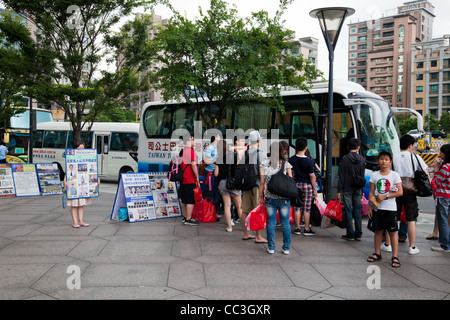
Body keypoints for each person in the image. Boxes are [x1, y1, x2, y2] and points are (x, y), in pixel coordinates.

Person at [393, 134, 430, 255]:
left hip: (395, 190)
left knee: (393, 217)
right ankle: (412, 247)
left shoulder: (393, 157)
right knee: (411, 219)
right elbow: (426, 173)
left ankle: (388, 244)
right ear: (410, 145)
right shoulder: (415, 157)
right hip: (410, 191)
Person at [367, 151, 403, 268]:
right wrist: (370, 207)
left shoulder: (394, 175)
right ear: (378, 161)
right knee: (377, 231)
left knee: (393, 233)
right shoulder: (374, 175)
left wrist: (385, 196)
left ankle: (395, 256)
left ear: (390, 162)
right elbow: (372, 192)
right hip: (378, 208)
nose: (383, 161)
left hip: (390, 208)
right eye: (381, 159)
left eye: (386, 159)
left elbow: (400, 192)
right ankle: (377, 253)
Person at [260, 141, 293, 254]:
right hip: (284, 198)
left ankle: (271, 247)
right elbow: (290, 180)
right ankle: (286, 248)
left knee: (271, 222)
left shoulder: (264, 163)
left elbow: (262, 182)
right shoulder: (286, 164)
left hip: (270, 197)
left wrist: (261, 196)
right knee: (285, 223)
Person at [336, 138, 366, 241]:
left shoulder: (345, 158)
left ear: (348, 147)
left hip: (347, 188)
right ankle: (359, 234)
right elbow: (362, 176)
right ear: (358, 148)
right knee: (357, 211)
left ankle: (350, 234)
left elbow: (342, 176)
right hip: (358, 188)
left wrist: (339, 190)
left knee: (348, 210)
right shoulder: (362, 159)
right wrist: (361, 190)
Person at [240, 131, 267, 243]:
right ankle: (258, 236)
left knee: (245, 210)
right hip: (256, 186)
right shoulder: (260, 154)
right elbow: (262, 174)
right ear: (259, 141)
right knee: (258, 210)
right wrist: (264, 187)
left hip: (246, 185)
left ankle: (246, 233)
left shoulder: (245, 153)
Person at [63, 143, 98, 228]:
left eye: (83, 148)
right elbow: (67, 171)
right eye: (80, 148)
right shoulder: (70, 157)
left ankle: (81, 220)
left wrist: (97, 179)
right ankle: (75, 222)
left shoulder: (86, 158)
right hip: (73, 184)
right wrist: (64, 180)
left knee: (81, 204)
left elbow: (92, 171)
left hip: (82, 185)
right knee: (74, 204)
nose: (82, 150)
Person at [288, 138, 317, 236]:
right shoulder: (309, 161)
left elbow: (290, 174)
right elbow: (312, 176)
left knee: (297, 207)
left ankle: (297, 227)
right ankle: (307, 228)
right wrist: (315, 189)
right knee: (307, 208)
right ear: (306, 148)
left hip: (296, 184)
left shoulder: (291, 159)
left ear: (295, 147)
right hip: (307, 186)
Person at [214, 140, 242, 232]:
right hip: (234, 183)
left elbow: (216, 174)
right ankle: (245, 227)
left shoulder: (218, 159)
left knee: (226, 206)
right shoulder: (234, 156)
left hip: (223, 183)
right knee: (239, 206)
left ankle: (229, 227)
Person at [431, 144, 450, 253]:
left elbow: (438, 181)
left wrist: (436, 169)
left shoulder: (446, 167)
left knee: (442, 220)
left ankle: (445, 245)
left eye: (441, 152)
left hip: (443, 196)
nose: (440, 154)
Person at [179, 134, 200, 226]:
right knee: (190, 200)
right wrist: (197, 177)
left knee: (184, 199)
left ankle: (185, 217)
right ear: (188, 141)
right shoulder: (190, 151)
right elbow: (193, 165)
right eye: (192, 140)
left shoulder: (182, 151)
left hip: (183, 179)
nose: (194, 142)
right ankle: (188, 218)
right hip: (189, 178)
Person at [203, 131, 221, 207]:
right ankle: (209, 211)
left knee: (216, 191)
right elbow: (206, 161)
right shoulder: (210, 148)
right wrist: (215, 161)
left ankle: (214, 211)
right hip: (210, 173)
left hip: (217, 172)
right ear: (216, 138)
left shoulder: (219, 147)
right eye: (219, 136)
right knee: (210, 192)